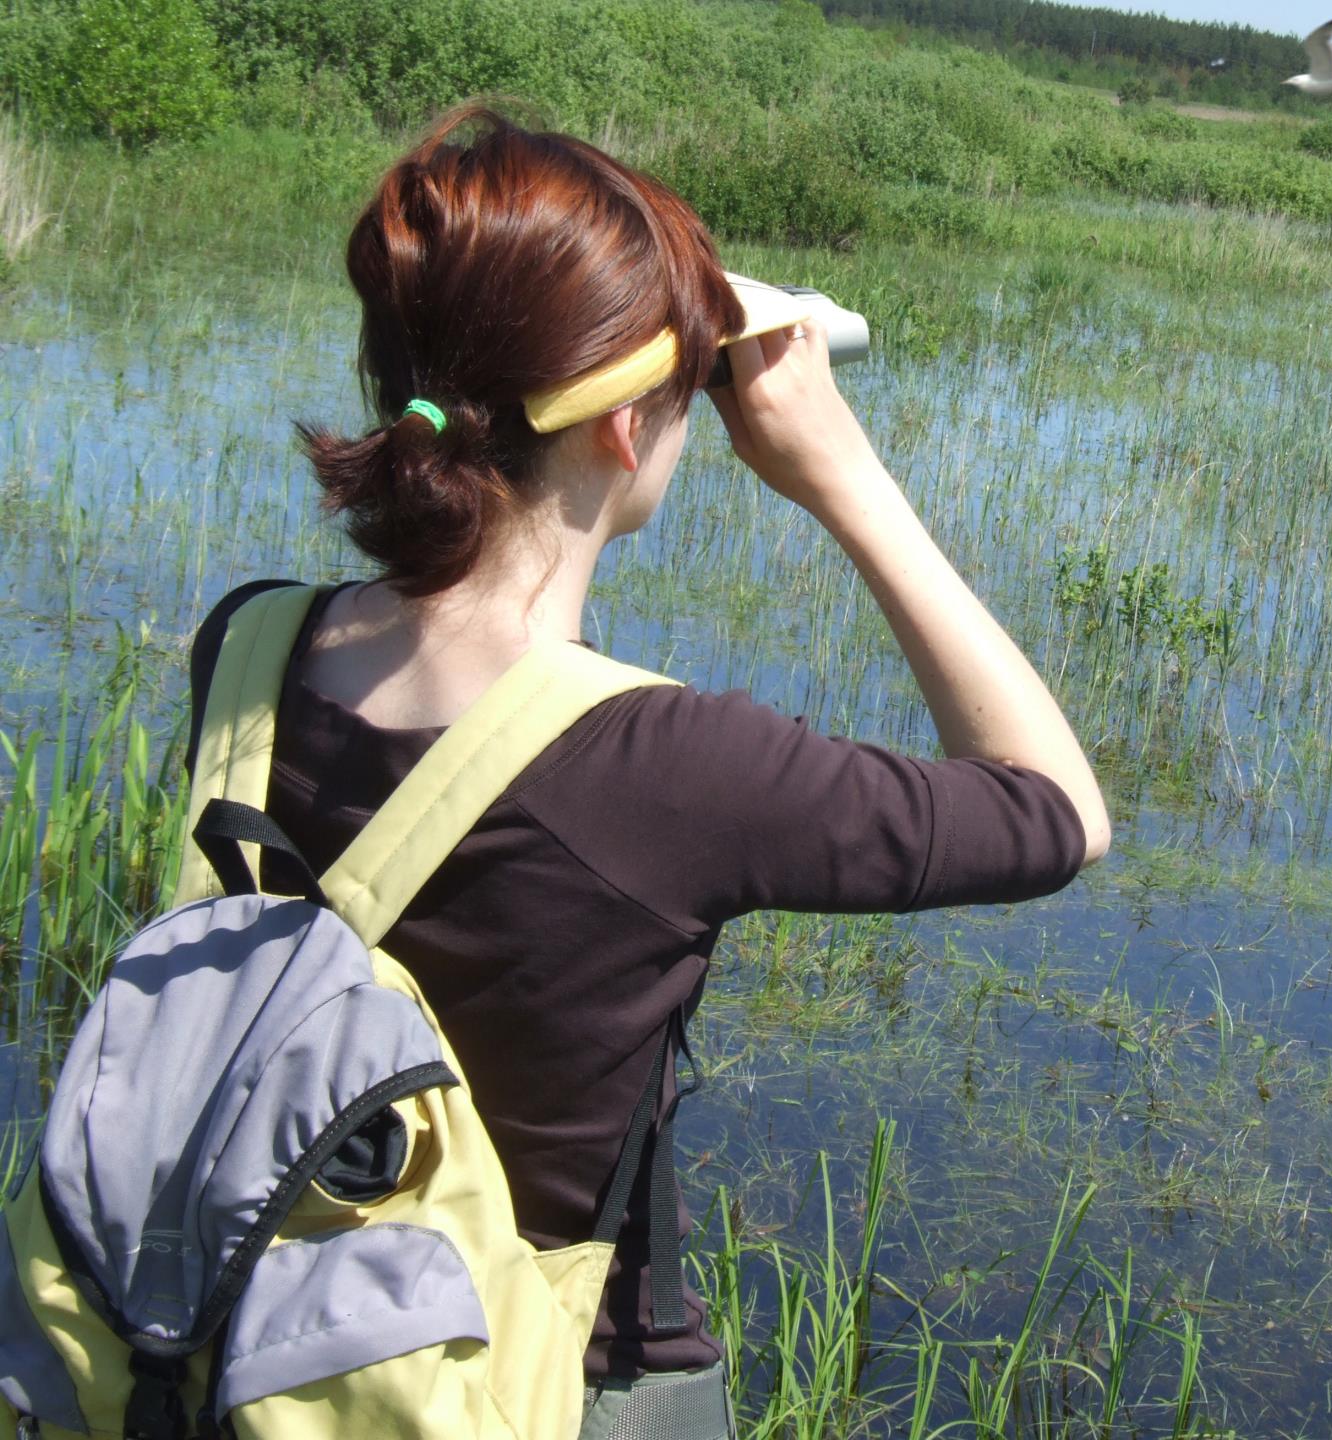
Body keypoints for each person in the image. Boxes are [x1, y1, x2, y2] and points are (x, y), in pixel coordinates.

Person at [184, 104, 1109, 1439]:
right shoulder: (664, 771)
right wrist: (841, 471)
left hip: (242, 1337)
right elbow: (1057, 813)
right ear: (626, 425)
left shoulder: (247, 647)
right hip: (549, 1381)